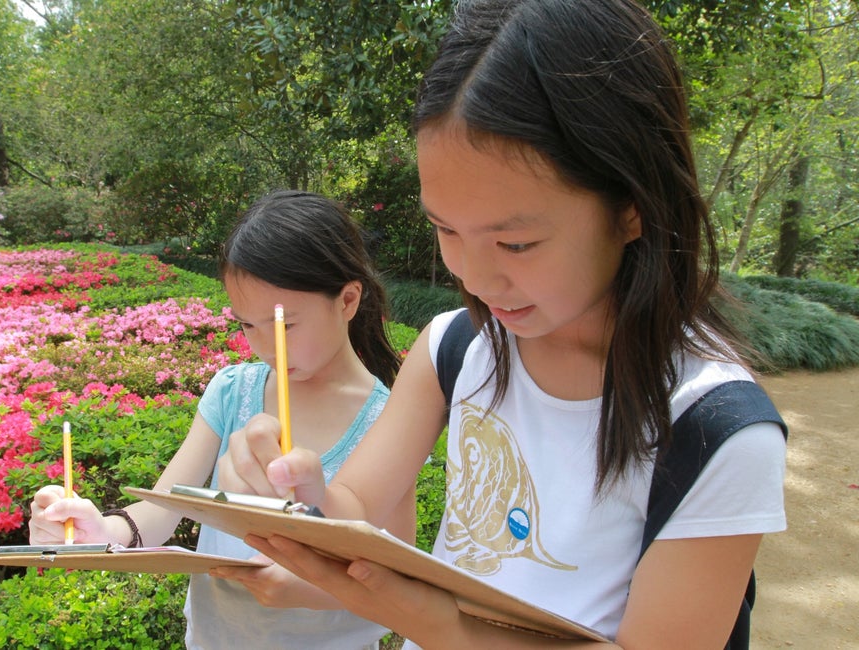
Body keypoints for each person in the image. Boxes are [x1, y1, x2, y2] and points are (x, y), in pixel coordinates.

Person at [213, 1, 787, 648]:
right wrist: (301, 495)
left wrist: (431, 618)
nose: (476, 278)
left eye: (515, 244)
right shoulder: (455, 350)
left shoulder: (714, 427)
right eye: (445, 229)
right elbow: (353, 510)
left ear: (632, 209)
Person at [28, 189, 410, 650]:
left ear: (347, 300)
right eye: (248, 325)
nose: (266, 348)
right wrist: (99, 532)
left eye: (286, 326)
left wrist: (308, 589)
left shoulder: (391, 421)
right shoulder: (234, 392)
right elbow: (163, 509)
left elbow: (395, 579)